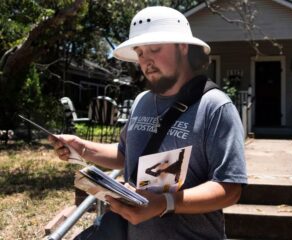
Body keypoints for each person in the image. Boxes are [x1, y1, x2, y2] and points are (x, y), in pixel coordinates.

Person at [50, 6, 247, 239]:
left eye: (155, 49)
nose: (146, 61)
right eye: (140, 52)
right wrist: (81, 147)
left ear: (183, 47)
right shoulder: (142, 101)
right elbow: (125, 154)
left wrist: (164, 203)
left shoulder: (214, 106)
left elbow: (230, 188)